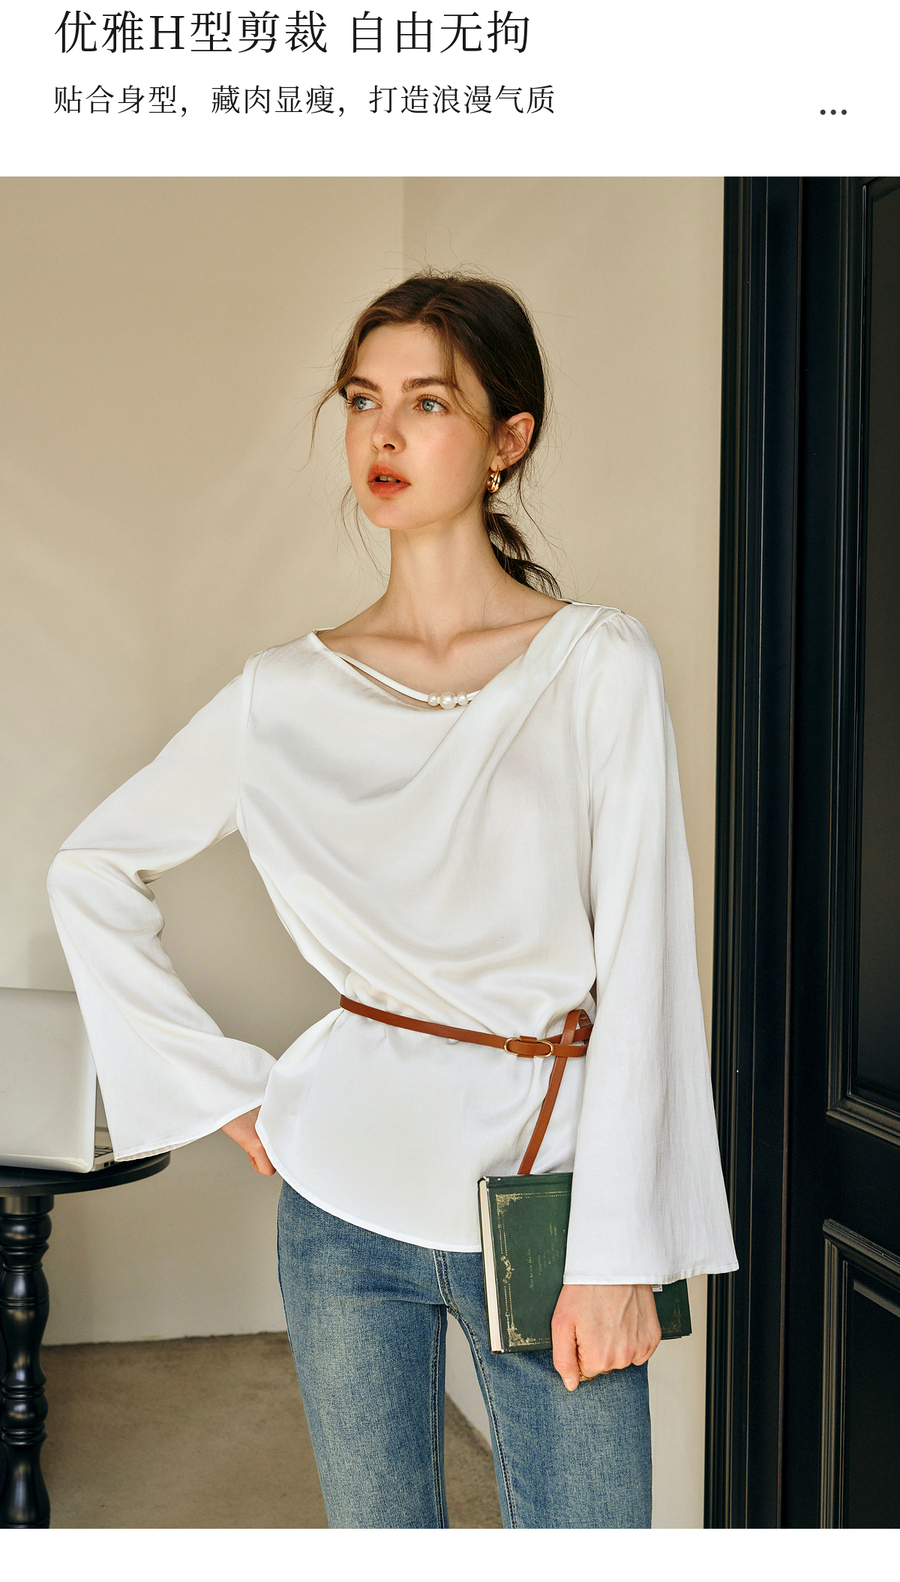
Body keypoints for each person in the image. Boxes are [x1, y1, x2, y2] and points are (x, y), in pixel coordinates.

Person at [47, 271, 738, 1529]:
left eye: (429, 401)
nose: (384, 431)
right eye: (364, 398)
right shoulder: (282, 696)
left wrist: (622, 1254)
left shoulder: (597, 665)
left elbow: (646, 972)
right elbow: (89, 868)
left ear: (507, 440)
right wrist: (219, 1088)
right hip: (340, 1208)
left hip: (549, 1198)